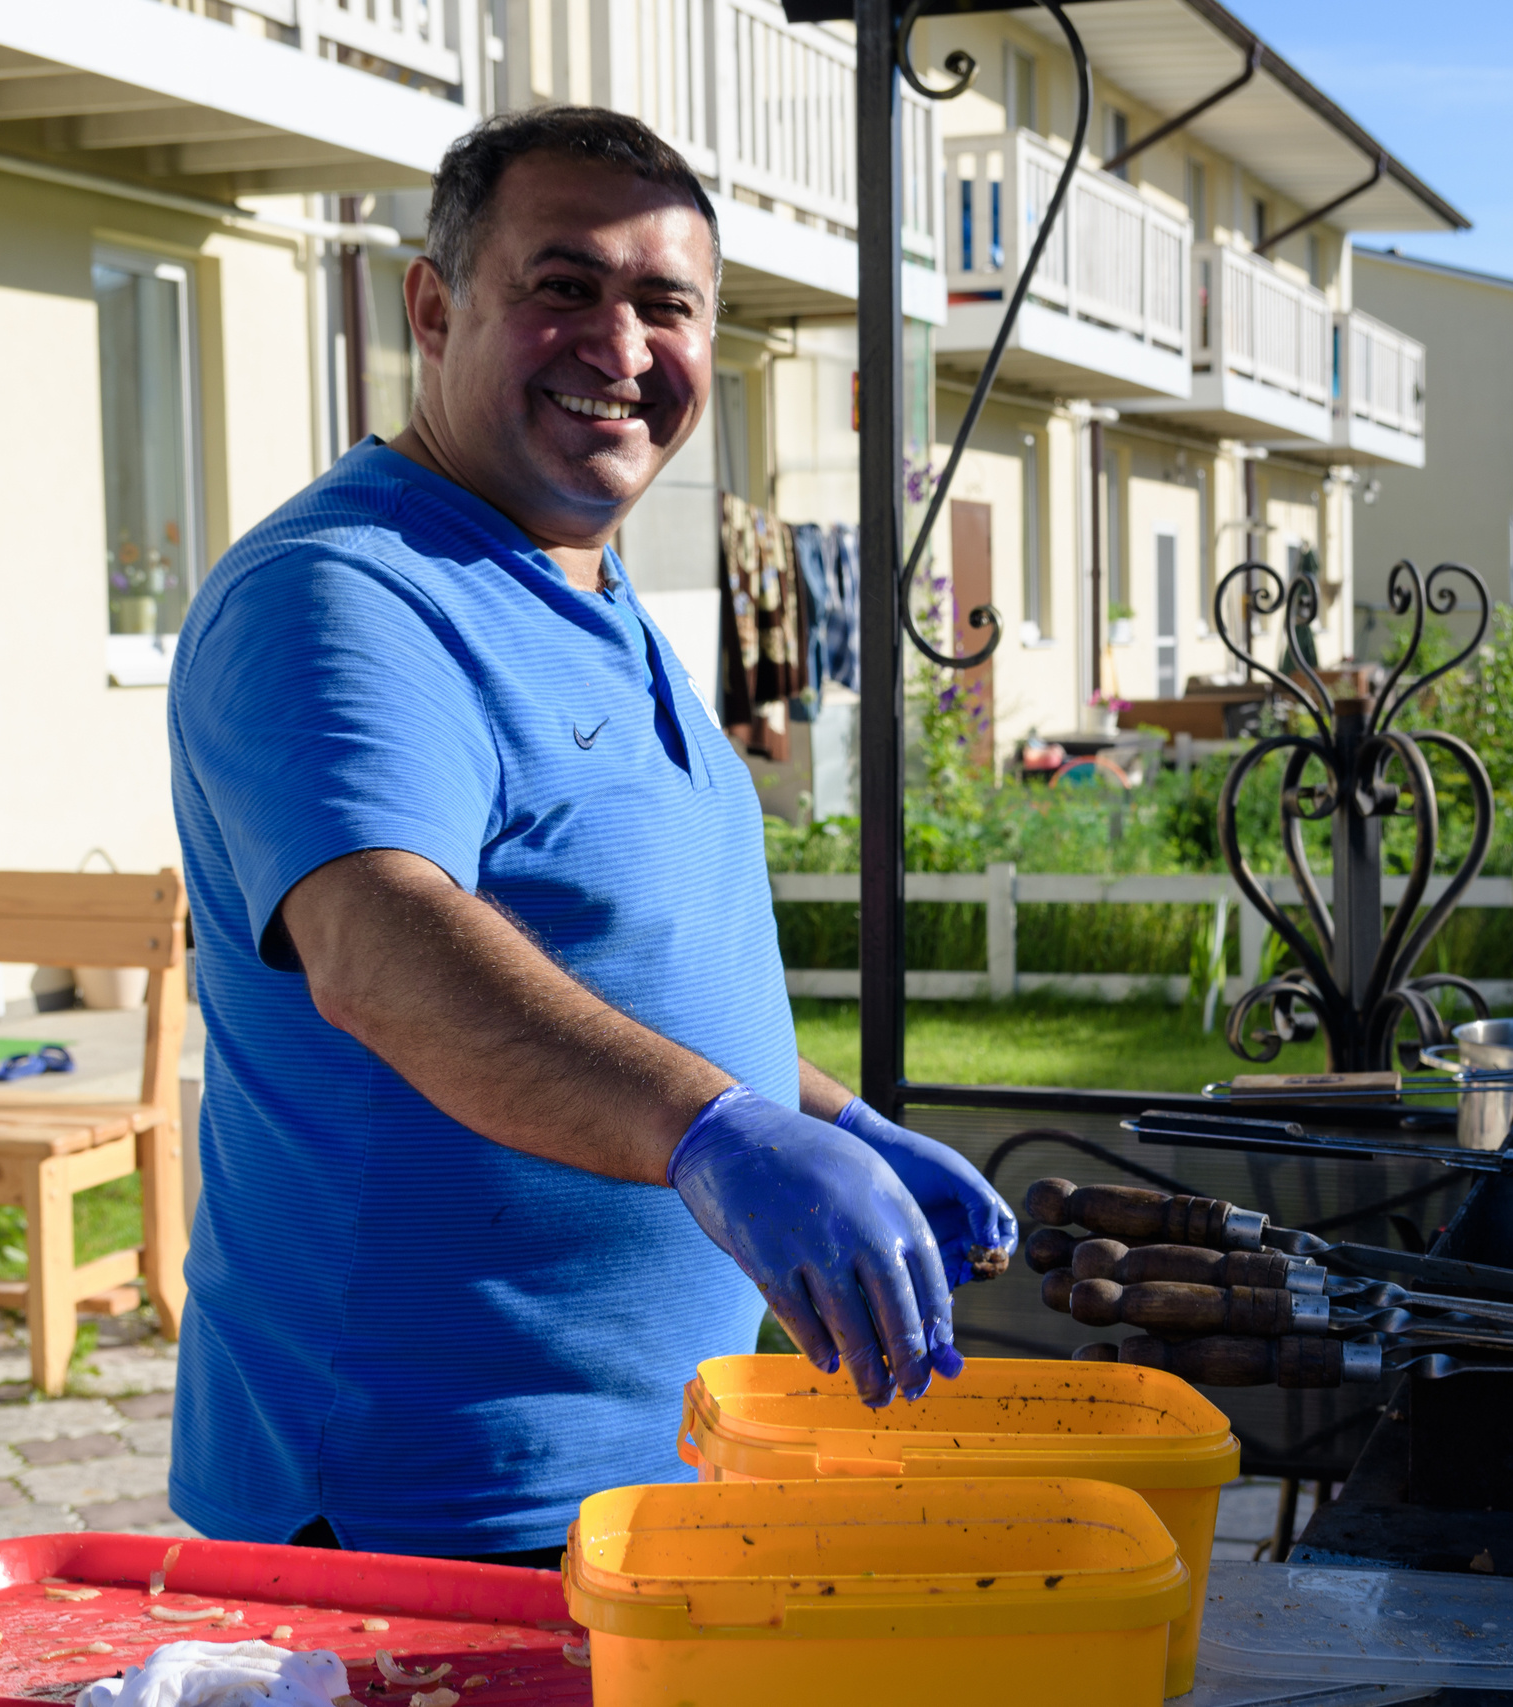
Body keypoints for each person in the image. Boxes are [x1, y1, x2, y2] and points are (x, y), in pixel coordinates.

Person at [163, 106, 1017, 1565]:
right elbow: (381, 950)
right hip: (413, 1509)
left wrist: (816, 1117)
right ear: (434, 308)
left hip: (636, 1485)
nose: (620, 346)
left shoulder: (595, 594)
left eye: (665, 305)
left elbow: (609, 971)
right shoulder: (348, 595)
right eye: (563, 286)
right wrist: (710, 1130)